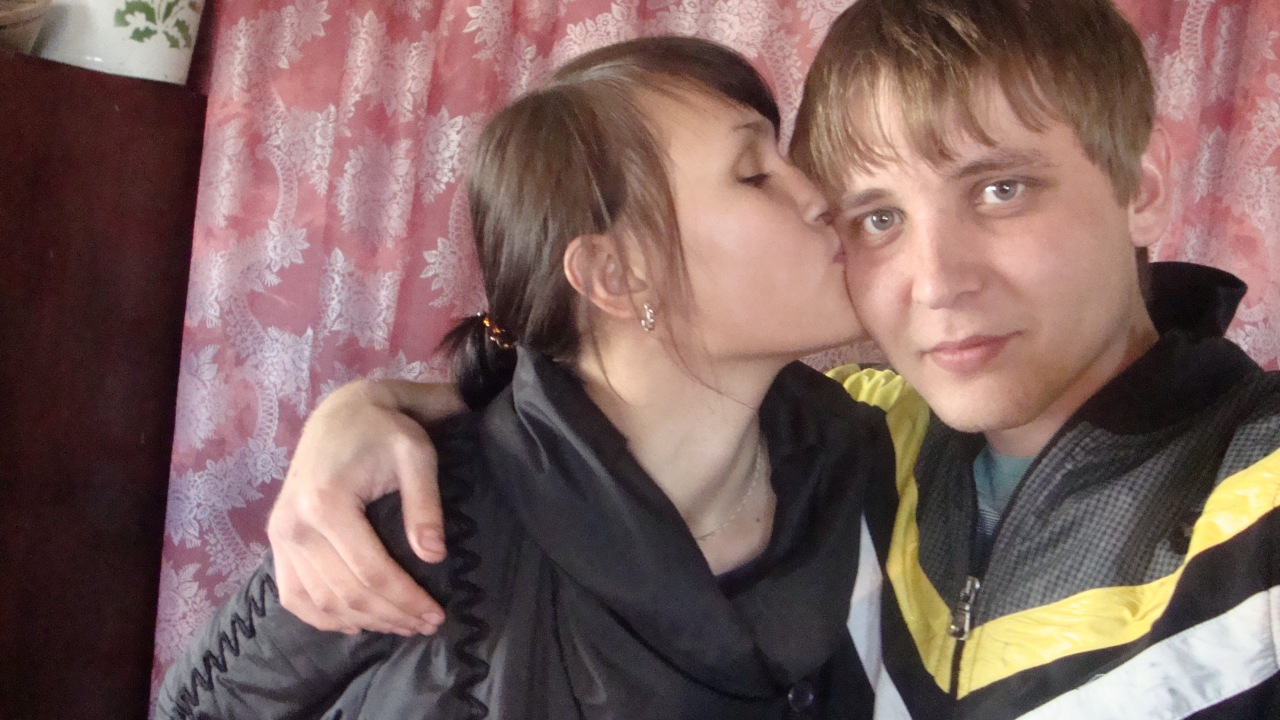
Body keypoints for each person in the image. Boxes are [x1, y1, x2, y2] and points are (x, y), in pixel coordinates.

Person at [265, 0, 1280, 717]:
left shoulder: (1256, 499)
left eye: (999, 190)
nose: (934, 281)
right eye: (876, 217)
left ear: (1142, 186)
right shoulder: (866, 435)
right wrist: (376, 413)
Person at [156, 36, 895, 719]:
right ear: (615, 275)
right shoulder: (424, 521)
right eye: (754, 174)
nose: (820, 197)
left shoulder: (870, 461)